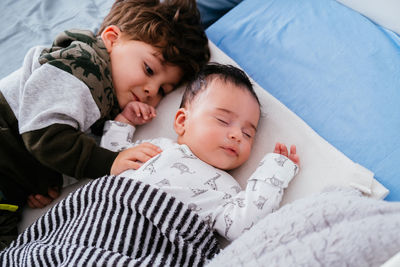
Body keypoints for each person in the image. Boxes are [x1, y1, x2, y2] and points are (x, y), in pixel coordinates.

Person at [0, 0, 209, 249]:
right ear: (111, 38)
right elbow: (45, 136)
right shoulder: (83, 64)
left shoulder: (106, 99)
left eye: (164, 90)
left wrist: (41, 178)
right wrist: (110, 162)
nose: (151, 90)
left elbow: (54, 144)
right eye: (149, 69)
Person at [101, 63, 300, 240]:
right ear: (182, 121)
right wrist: (125, 121)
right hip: (105, 217)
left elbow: (244, 225)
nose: (237, 135)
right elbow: (111, 159)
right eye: (223, 120)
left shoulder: (227, 190)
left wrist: (272, 176)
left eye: (248, 134)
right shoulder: (157, 147)